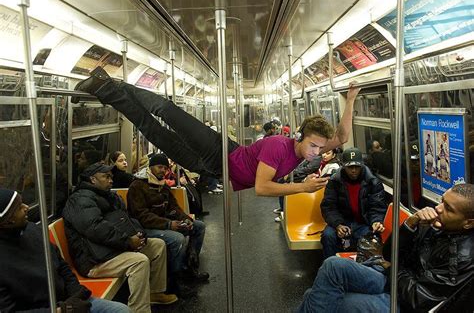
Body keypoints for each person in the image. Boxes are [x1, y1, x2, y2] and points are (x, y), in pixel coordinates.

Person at [72, 67, 360, 197]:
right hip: (221, 150)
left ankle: (105, 90)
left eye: (319, 148)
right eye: (313, 146)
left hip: (212, 168)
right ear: (299, 137)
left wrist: (351, 99)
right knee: (167, 111)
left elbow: (343, 136)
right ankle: (116, 85)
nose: (316, 153)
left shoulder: (311, 147)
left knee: (152, 131)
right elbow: (262, 188)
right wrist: (303, 187)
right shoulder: (277, 145)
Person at [298, 183, 474, 313]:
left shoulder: (462, 257)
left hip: (405, 303)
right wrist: (410, 224)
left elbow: (419, 299)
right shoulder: (436, 226)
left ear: (468, 223)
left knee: (319, 297)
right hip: (396, 281)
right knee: (333, 266)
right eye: (442, 201)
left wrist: (393, 269)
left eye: (448, 209)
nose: (438, 208)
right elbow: (389, 254)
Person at [62, 163, 177, 312]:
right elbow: (95, 228)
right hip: (93, 260)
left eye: (111, 177)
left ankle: (154, 293)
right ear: (92, 179)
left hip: (111, 249)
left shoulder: (109, 196)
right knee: (139, 262)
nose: (111, 180)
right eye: (106, 176)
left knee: (157, 245)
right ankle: (139, 310)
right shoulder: (79, 200)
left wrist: (139, 234)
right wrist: (128, 241)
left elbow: (126, 219)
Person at [0, 188, 130, 312]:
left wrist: (76, 293)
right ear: (7, 221)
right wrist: (61, 311)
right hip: (47, 309)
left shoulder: (33, 230)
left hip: (67, 300)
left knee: (121, 310)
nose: (26, 207)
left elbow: (61, 265)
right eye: (19, 208)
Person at [127, 154, 209, 295]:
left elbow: (173, 207)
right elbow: (141, 216)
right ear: (151, 167)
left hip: (163, 223)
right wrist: (168, 225)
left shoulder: (162, 185)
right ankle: (174, 281)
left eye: (165, 168)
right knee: (177, 239)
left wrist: (186, 219)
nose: (163, 171)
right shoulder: (137, 186)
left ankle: (188, 268)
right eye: (159, 167)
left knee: (199, 227)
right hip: (144, 228)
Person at [321, 147, 387, 258]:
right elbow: (329, 206)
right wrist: (338, 224)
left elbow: (377, 207)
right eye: (350, 167)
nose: (354, 170)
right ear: (343, 166)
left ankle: (362, 270)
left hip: (363, 222)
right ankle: (330, 267)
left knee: (369, 239)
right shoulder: (334, 182)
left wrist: (376, 221)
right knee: (328, 236)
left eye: (357, 167)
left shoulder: (373, 182)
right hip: (342, 220)